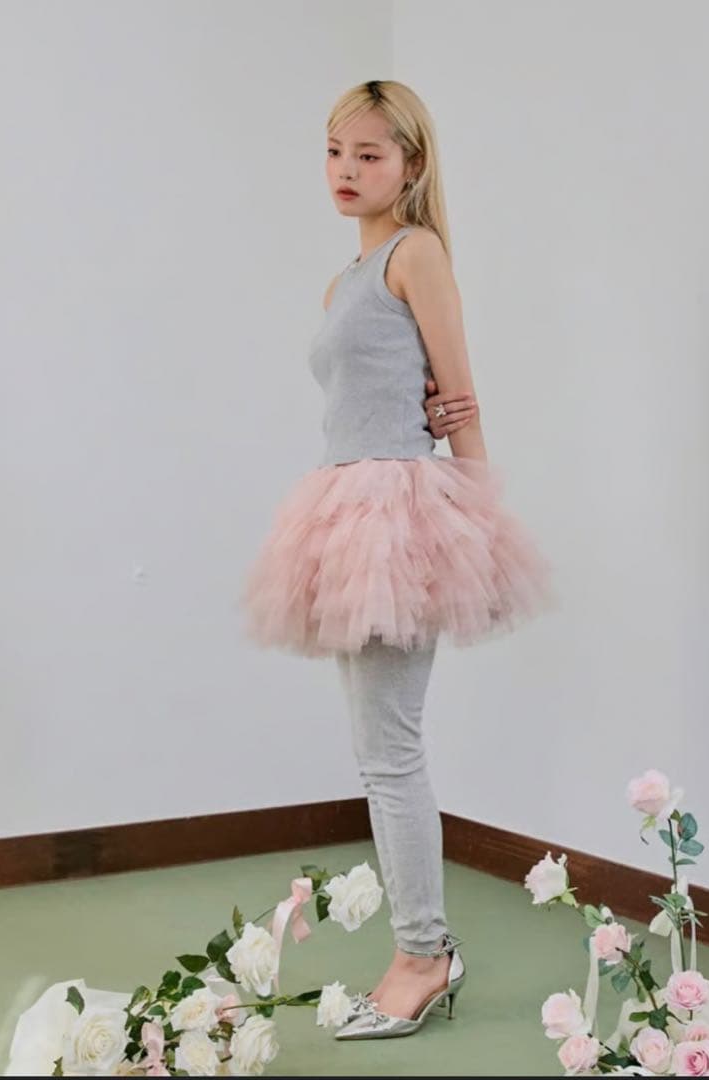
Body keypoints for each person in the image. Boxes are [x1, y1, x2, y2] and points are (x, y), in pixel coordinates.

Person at [240, 79, 557, 1040]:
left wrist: (478, 518)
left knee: (390, 752)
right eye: (336, 152)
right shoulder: (343, 280)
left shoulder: (415, 254)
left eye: (369, 155)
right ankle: (424, 947)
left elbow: (458, 395)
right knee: (379, 750)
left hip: (397, 516)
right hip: (343, 509)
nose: (346, 171)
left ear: (410, 166)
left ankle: (424, 954)